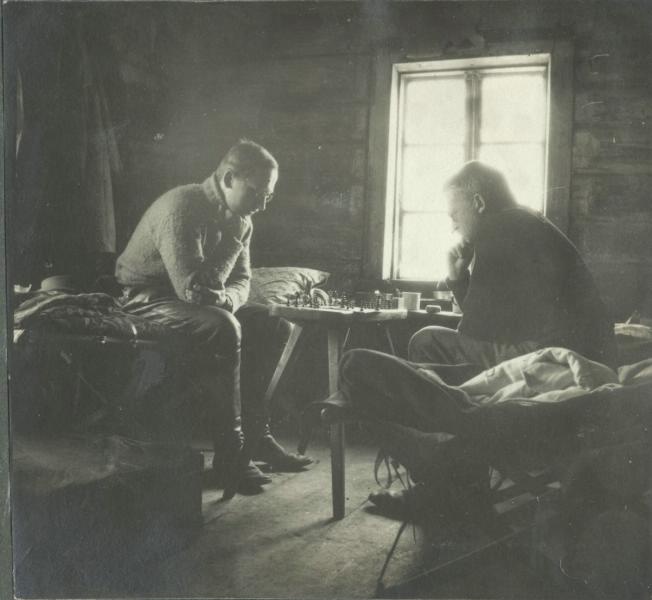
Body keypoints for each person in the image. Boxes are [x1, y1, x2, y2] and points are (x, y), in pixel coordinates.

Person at [337, 160, 616, 515]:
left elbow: (473, 330)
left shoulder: (498, 231)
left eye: (455, 214)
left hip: (556, 357)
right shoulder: (527, 221)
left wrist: (456, 276)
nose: (453, 225)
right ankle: (458, 468)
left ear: (479, 203)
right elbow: (493, 324)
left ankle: (448, 479)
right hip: (588, 354)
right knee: (434, 345)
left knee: (425, 342)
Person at [115, 139, 311, 499]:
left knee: (273, 322)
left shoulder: (242, 220)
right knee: (222, 326)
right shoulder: (183, 206)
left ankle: (257, 435)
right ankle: (230, 452)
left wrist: (225, 298)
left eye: (270, 196)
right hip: (146, 297)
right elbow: (191, 290)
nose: (263, 205)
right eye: (257, 193)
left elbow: (241, 282)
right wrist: (223, 293)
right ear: (228, 178)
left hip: (200, 300)